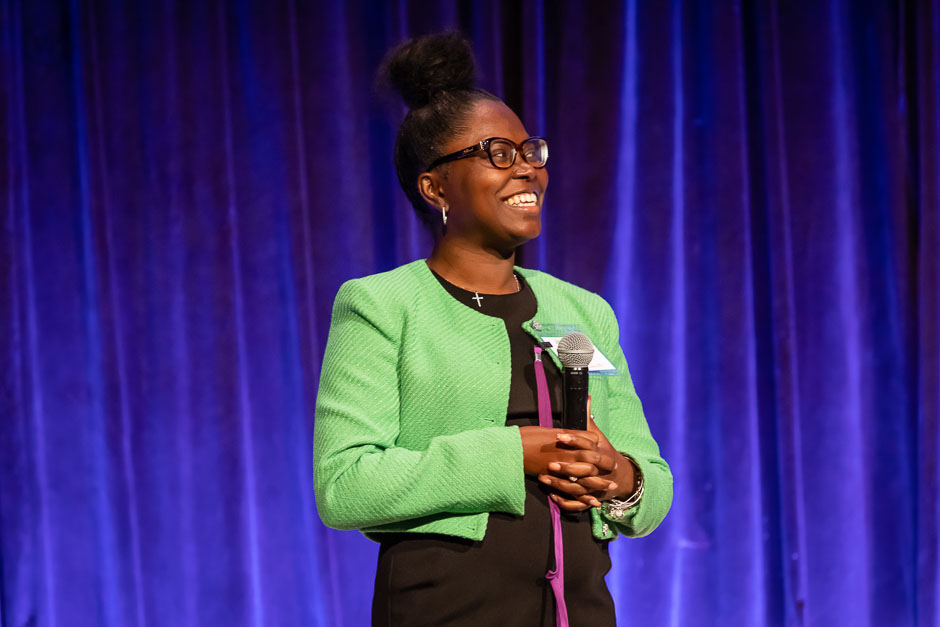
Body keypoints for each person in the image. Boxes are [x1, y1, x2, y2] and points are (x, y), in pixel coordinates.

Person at [313, 32, 672, 627]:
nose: (528, 168)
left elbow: (653, 485)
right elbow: (347, 484)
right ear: (435, 187)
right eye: (499, 154)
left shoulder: (584, 311)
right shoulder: (381, 305)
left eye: (531, 151)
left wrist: (619, 475)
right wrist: (515, 453)